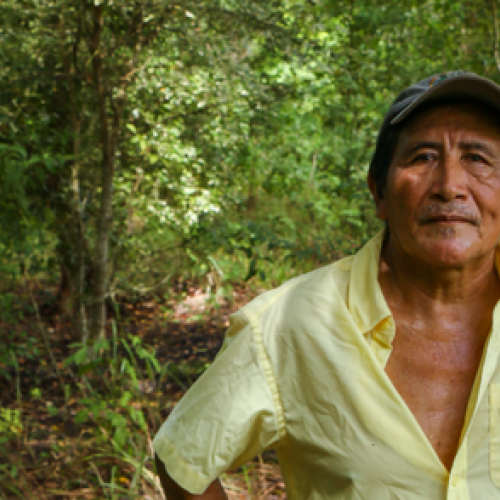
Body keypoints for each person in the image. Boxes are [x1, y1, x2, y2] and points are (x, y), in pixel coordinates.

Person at [153, 70, 500, 499]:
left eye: (478, 159)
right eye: (423, 157)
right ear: (380, 193)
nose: (450, 186)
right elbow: (183, 458)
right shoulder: (291, 324)